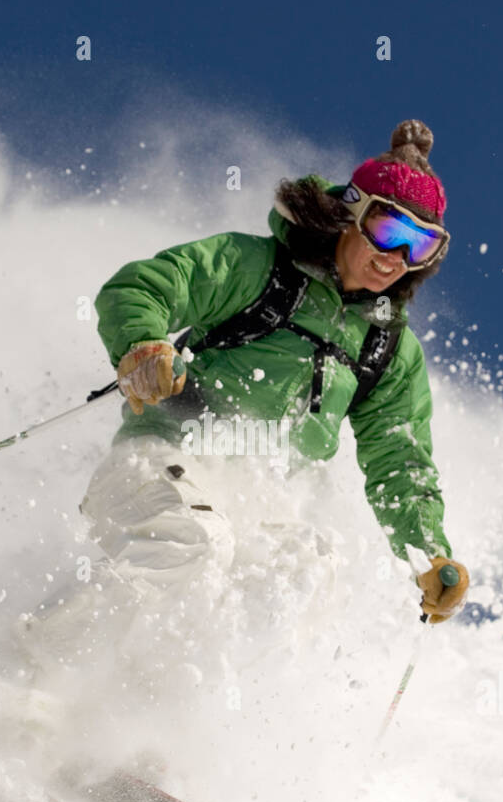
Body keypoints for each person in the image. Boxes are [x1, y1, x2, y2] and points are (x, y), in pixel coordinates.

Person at [80, 119, 469, 623]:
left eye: (418, 247)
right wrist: (142, 345)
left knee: (303, 576)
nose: (395, 258)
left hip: (256, 501)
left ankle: (171, 700)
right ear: (352, 211)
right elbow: (143, 287)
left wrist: (428, 555)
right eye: (388, 230)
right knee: (197, 545)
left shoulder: (388, 348)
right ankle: (32, 675)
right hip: (157, 460)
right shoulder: (258, 267)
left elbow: (400, 460)